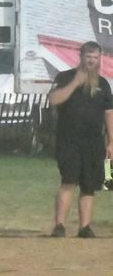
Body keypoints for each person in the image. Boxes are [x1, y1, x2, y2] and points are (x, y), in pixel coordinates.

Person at [47, 40, 113, 238]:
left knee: (89, 185)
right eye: (88, 57)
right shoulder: (65, 77)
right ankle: (59, 225)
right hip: (68, 140)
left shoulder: (103, 84)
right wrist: (76, 82)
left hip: (93, 142)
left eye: (95, 57)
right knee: (69, 180)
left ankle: (85, 227)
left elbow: (109, 114)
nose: (91, 61)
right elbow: (54, 100)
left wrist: (111, 142)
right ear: (81, 57)